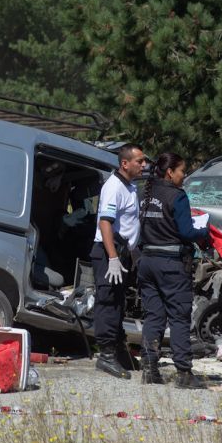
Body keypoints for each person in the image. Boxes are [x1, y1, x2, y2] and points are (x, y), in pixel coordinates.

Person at [136, 152, 211, 389]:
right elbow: (187, 232)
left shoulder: (146, 194)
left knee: (153, 316)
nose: (184, 176)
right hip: (171, 264)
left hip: (147, 262)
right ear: (170, 172)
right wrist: (204, 232)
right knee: (179, 317)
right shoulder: (177, 196)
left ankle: (149, 369)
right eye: (182, 171)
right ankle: (184, 373)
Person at [91, 143, 145, 379]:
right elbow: (105, 223)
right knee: (108, 303)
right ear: (125, 163)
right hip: (108, 253)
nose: (144, 165)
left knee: (118, 305)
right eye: (139, 161)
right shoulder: (113, 187)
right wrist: (112, 257)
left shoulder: (130, 186)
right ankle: (106, 356)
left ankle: (120, 350)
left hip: (123, 255)